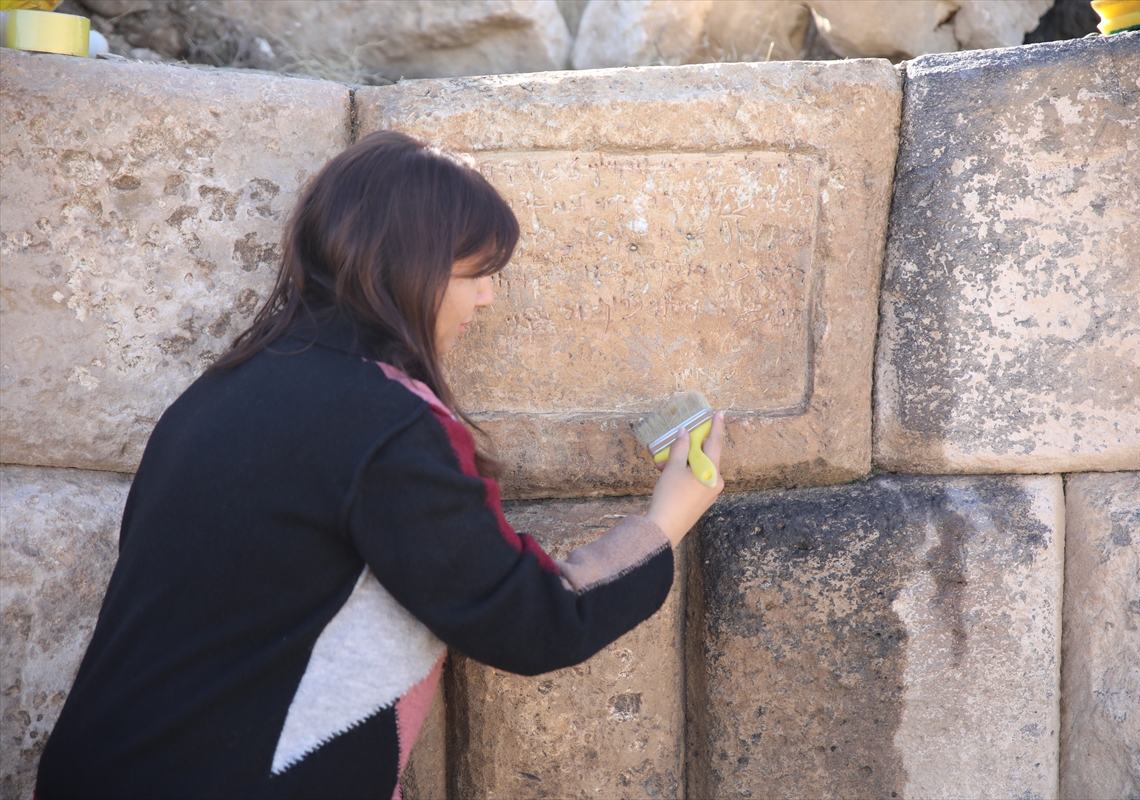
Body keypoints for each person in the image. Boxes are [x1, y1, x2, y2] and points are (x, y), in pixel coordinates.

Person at [36, 130, 724, 798]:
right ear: (410, 270)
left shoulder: (222, 387)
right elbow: (530, 620)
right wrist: (665, 521)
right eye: (475, 275)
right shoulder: (390, 425)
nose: (486, 299)